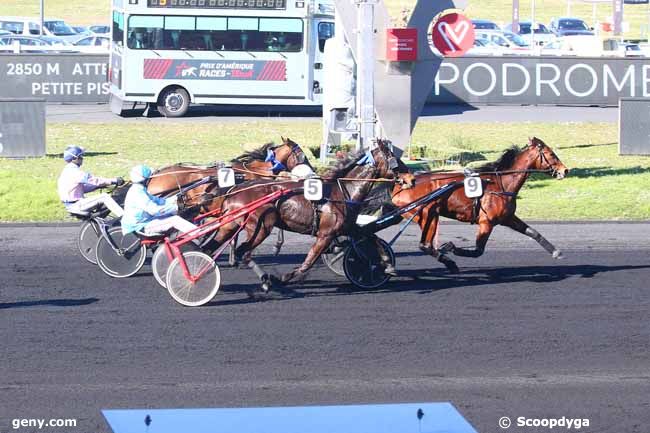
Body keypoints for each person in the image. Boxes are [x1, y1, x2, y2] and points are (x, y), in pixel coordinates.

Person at [121, 164, 198, 236]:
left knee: (174, 214)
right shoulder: (137, 193)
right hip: (139, 227)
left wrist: (176, 198)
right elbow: (155, 211)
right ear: (145, 180)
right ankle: (198, 234)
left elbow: (159, 201)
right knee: (175, 220)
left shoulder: (141, 190)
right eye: (150, 178)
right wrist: (176, 207)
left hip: (146, 220)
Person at [57, 145, 124, 217]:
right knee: (104, 197)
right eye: (80, 156)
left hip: (75, 204)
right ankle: (125, 218)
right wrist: (114, 180)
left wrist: (100, 186)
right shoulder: (73, 171)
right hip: (75, 205)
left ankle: (103, 223)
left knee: (106, 200)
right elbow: (94, 180)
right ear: (74, 158)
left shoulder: (68, 170)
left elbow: (83, 189)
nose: (82, 158)